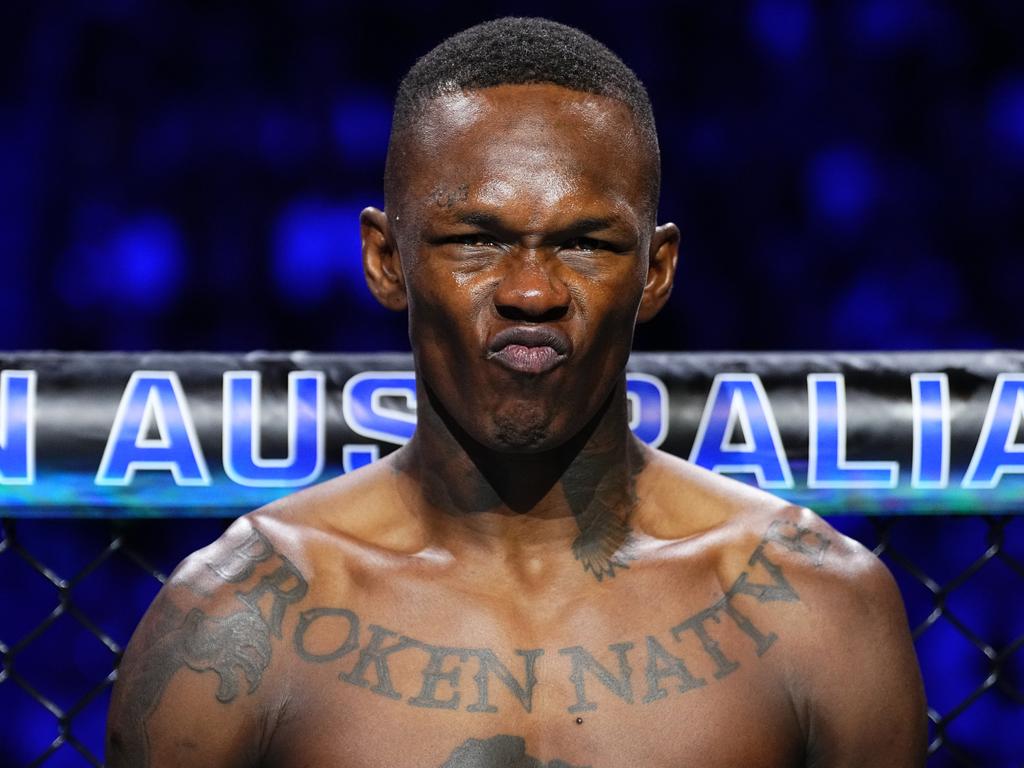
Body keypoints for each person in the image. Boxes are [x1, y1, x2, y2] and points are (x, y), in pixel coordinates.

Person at [106, 17, 926, 768]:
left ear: (657, 271)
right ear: (386, 260)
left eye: (584, 243)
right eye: (476, 239)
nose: (532, 292)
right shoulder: (238, 618)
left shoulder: (816, 610)